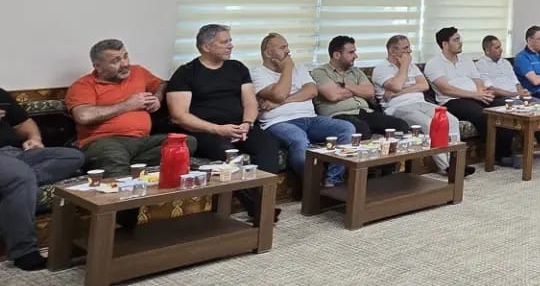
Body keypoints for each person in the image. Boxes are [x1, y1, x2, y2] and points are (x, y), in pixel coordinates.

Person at [166, 24, 281, 222]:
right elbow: (179, 116)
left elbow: (250, 102)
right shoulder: (186, 73)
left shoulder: (237, 68)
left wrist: (247, 123)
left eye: (230, 41)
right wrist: (218, 129)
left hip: (239, 126)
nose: (231, 45)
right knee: (227, 153)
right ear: (206, 47)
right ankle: (260, 208)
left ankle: (264, 200)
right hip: (205, 131)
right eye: (224, 42)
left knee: (268, 144)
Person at [65, 38, 194, 179]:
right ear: (98, 66)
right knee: (113, 156)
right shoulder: (83, 85)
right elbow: (84, 116)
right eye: (115, 61)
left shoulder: (138, 72)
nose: (125, 64)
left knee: (185, 143)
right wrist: (127, 105)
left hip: (142, 141)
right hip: (104, 141)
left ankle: (129, 165)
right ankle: (125, 181)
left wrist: (157, 98)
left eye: (125, 57)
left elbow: (162, 84)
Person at [250, 34, 356, 186]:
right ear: (268, 53)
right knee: (299, 139)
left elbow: (312, 91)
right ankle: (313, 188)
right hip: (279, 122)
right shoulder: (257, 73)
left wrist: (278, 103)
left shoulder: (299, 68)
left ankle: (332, 182)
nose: (288, 51)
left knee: (346, 128)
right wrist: (287, 67)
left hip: (311, 119)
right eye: (282, 48)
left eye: (287, 46)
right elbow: (278, 94)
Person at [1, 86, 85, 271]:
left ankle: (16, 182)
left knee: (73, 157)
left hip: (16, 154)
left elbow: (24, 123)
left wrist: (34, 138)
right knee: (20, 176)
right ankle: (24, 252)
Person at [422, 28, 514, 164]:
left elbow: (477, 79)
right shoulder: (434, 63)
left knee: (505, 108)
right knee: (482, 114)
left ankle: (507, 152)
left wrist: (482, 93)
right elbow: (446, 89)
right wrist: (475, 95)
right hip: (453, 101)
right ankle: (498, 156)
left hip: (475, 96)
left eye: (460, 39)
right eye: (456, 40)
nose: (460, 42)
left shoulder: (465, 60)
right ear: (445, 44)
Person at [474, 34, 540, 159]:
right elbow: (490, 89)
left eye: (500, 47)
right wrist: (515, 94)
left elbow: (516, 82)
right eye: (497, 48)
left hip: (516, 95)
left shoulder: (505, 63)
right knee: (521, 107)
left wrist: (522, 92)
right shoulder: (481, 65)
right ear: (487, 50)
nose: (501, 50)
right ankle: (508, 154)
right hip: (499, 98)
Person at [310, 36, 409, 137]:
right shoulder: (320, 72)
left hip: (364, 112)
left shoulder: (356, 71)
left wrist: (345, 86)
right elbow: (333, 95)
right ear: (336, 55)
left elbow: (370, 92)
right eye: (351, 52)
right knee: (361, 129)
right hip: (338, 115)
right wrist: (358, 90)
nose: (355, 56)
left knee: (401, 125)